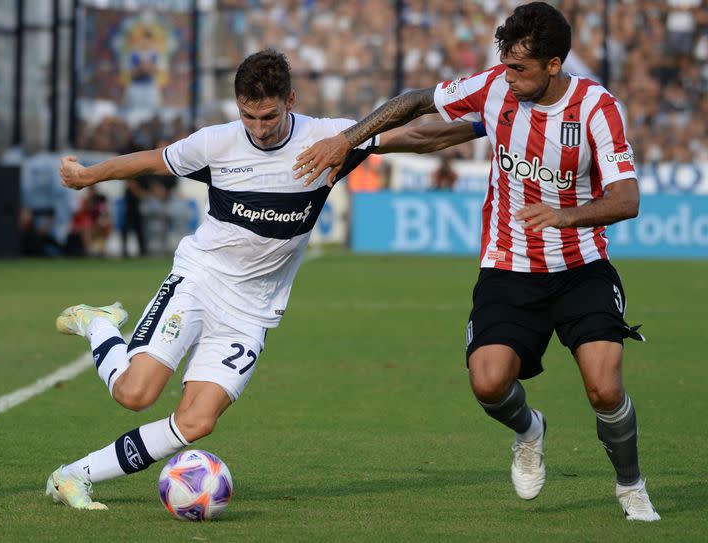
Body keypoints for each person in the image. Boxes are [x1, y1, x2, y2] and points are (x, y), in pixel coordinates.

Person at [45, 49, 482, 510]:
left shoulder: (329, 139)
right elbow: (151, 161)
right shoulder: (216, 143)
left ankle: (72, 476)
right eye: (248, 116)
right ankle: (97, 324)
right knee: (135, 394)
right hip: (200, 280)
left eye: (269, 115)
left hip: (252, 311)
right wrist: (88, 175)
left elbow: (414, 135)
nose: (258, 127)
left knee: (196, 423)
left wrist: (486, 123)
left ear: (290, 99)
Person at [293, 2, 659, 522]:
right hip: (508, 267)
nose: (508, 78)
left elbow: (627, 199)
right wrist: (351, 140)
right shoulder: (495, 89)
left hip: (581, 267)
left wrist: (564, 215)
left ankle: (631, 487)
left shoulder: (597, 108)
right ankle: (529, 430)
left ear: (554, 64)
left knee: (604, 385)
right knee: (487, 383)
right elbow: (417, 105)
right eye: (505, 65)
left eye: (520, 69)